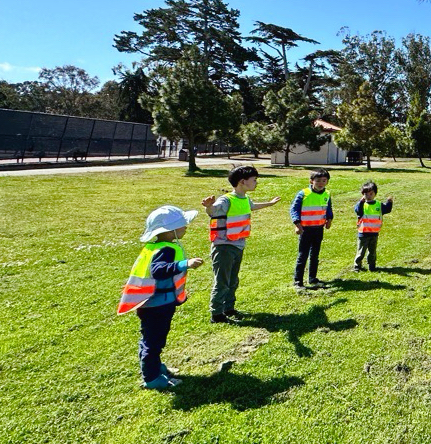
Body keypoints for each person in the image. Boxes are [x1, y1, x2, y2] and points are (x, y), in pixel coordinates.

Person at [117, 205, 204, 390]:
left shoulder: (154, 246)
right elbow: (158, 271)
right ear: (170, 230)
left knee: (150, 338)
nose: (186, 227)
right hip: (157, 305)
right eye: (183, 225)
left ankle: (154, 366)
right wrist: (185, 264)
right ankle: (152, 378)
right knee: (154, 341)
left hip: (149, 303)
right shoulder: (167, 250)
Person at [202, 165, 281, 323]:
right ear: (243, 182)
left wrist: (270, 204)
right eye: (254, 180)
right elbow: (213, 212)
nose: (256, 183)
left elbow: (253, 206)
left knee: (233, 279)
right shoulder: (226, 200)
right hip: (224, 246)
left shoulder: (245, 199)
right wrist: (209, 206)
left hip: (238, 245)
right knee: (222, 281)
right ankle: (216, 313)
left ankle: (228, 307)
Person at [289, 168, 334, 288]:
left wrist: (329, 219)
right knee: (303, 255)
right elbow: (294, 209)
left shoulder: (327, 194)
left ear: (327, 182)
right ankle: (298, 281)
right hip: (305, 229)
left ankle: (312, 278)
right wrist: (297, 224)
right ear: (311, 181)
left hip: (318, 229)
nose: (321, 183)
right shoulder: (303, 193)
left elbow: (328, 208)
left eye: (324, 181)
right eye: (318, 180)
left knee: (315, 255)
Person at [354, 180, 393, 272]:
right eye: (366, 194)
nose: (368, 196)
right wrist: (361, 202)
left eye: (371, 194)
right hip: (363, 233)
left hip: (374, 233)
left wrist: (389, 202)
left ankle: (372, 265)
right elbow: (357, 211)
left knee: (372, 251)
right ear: (363, 194)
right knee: (361, 251)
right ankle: (357, 266)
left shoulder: (379, 205)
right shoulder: (362, 205)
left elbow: (387, 210)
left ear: (375, 194)